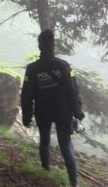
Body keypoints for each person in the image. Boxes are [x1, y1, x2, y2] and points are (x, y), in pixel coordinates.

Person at [21, 29, 84, 186]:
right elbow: (73, 90)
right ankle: (73, 182)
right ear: (53, 45)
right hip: (63, 112)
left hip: (42, 111)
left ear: (39, 45)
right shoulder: (63, 66)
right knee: (65, 146)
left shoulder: (32, 69)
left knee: (44, 142)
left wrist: (27, 115)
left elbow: (26, 94)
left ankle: (46, 174)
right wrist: (78, 112)